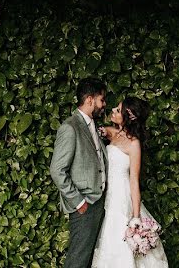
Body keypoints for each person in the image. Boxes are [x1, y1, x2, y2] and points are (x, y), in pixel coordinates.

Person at [91, 97, 168, 267]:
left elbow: (134, 180)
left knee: (122, 245)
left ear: (129, 117)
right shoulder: (111, 133)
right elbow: (95, 133)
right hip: (107, 196)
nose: (112, 110)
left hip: (122, 197)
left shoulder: (134, 144)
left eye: (118, 110)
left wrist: (135, 216)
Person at [50, 77, 109, 268]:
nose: (104, 105)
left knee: (90, 258)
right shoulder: (70, 127)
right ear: (90, 99)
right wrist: (79, 201)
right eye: (102, 99)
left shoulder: (92, 125)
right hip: (85, 204)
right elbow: (57, 170)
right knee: (78, 259)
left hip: (99, 201)